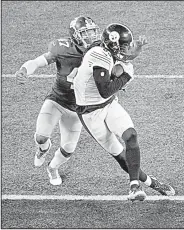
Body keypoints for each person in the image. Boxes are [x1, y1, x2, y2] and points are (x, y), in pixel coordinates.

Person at [73, 23, 175, 201]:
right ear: (114, 44)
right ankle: (152, 182)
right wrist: (126, 76)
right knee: (120, 155)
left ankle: (134, 187)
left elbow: (122, 59)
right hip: (90, 113)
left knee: (131, 135)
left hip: (108, 104)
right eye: (124, 45)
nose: (127, 49)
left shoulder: (106, 49)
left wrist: (135, 52)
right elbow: (105, 90)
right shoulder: (98, 55)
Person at [15, 16, 102, 185]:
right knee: (40, 136)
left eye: (92, 32)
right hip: (57, 100)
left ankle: (52, 168)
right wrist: (25, 70)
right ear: (75, 36)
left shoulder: (99, 51)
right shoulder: (62, 48)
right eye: (86, 33)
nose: (91, 37)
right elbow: (38, 62)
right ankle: (43, 149)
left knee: (68, 149)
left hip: (77, 108)